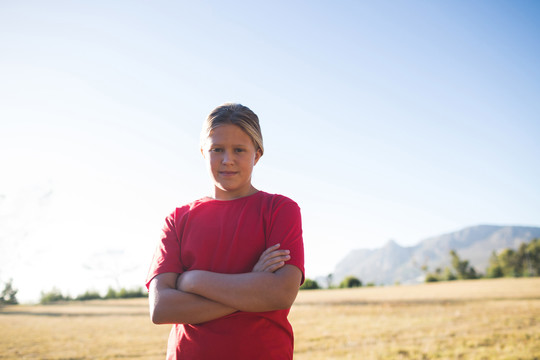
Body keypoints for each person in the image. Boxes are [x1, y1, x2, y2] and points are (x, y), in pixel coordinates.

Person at [146, 103, 305, 359]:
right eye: (217, 149)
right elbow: (162, 308)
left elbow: (281, 293)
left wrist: (193, 281)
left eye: (239, 150)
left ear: (257, 154)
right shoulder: (178, 219)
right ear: (202, 152)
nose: (227, 159)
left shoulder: (279, 210)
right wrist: (253, 286)